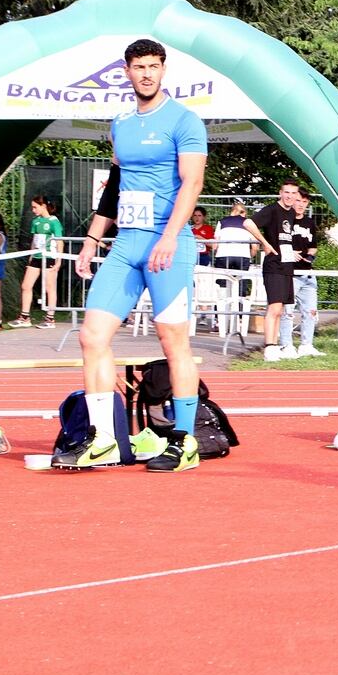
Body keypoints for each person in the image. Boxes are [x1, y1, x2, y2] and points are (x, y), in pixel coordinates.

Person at [58, 38, 208, 472]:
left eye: (154, 66)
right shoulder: (120, 122)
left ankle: (184, 441)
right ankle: (104, 438)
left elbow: (192, 183)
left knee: (173, 341)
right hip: (126, 246)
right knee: (92, 337)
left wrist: (170, 235)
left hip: (168, 246)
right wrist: (91, 238)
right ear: (127, 71)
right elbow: (117, 185)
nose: (146, 73)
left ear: (164, 71)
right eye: (139, 66)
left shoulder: (185, 120)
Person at [242, 181, 299, 362]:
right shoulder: (272, 209)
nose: (289, 196)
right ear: (280, 193)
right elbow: (248, 223)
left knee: (281, 309)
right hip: (273, 265)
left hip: (287, 265)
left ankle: (275, 344)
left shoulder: (291, 212)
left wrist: (292, 252)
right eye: (286, 192)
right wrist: (264, 243)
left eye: (293, 193)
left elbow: (284, 238)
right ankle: (269, 347)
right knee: (273, 308)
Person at [279, 189, 324, 358]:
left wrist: (310, 257)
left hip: (307, 273)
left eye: (304, 202)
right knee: (288, 311)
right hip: (289, 272)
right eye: (298, 201)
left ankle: (306, 344)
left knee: (310, 311)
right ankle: (286, 345)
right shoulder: (285, 220)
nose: (300, 205)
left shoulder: (309, 222)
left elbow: (313, 245)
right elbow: (277, 242)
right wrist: (289, 252)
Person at [9, 194, 63, 329]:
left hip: (49, 257)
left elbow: (59, 241)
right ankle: (25, 317)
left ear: (43, 206)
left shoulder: (54, 222)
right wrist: (31, 256)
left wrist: (58, 260)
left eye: (35, 207)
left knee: (50, 287)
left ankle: (50, 318)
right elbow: (34, 240)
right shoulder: (36, 222)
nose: (33, 210)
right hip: (37, 257)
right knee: (26, 285)